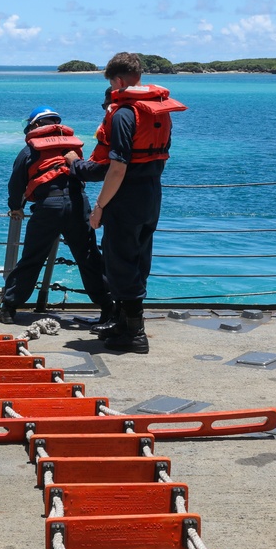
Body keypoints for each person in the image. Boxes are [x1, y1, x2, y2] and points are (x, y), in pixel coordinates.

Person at [71, 52, 187, 352]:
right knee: (136, 259)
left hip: (126, 195)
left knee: (120, 261)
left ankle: (135, 333)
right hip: (151, 193)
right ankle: (123, 322)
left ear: (118, 81)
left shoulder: (124, 113)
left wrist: (98, 207)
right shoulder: (159, 111)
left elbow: (118, 166)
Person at [0, 106, 113, 324]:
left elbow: (16, 182)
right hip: (78, 203)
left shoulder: (30, 149)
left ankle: (9, 308)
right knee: (88, 257)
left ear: (36, 125)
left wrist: (16, 206)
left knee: (32, 257)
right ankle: (108, 307)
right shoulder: (72, 148)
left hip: (48, 205)